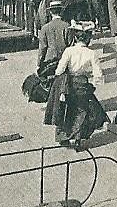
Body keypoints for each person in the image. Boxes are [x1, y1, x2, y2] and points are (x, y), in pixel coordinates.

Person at [45, 20, 109, 150]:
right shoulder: (91, 53)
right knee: (82, 111)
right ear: (88, 39)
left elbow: (59, 70)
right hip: (82, 85)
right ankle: (79, 139)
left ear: (75, 37)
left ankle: (64, 138)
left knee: (66, 110)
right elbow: (98, 73)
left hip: (69, 84)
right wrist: (94, 84)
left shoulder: (69, 51)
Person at [37, 0, 70, 77]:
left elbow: (42, 47)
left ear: (51, 12)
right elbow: (70, 45)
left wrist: (39, 64)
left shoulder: (45, 28)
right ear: (61, 11)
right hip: (64, 59)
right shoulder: (67, 26)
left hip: (49, 60)